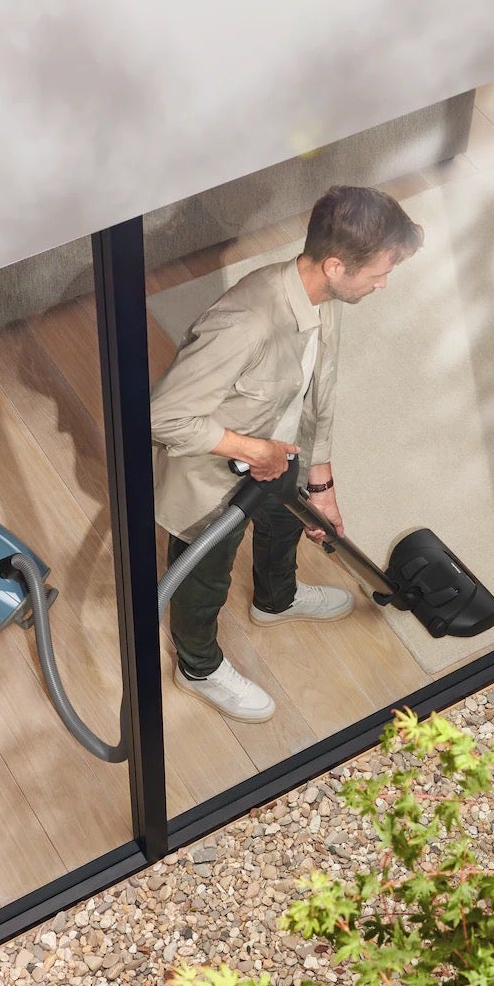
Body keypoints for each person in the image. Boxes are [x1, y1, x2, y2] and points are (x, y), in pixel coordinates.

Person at [150, 185, 424, 722]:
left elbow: (316, 390)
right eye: (379, 273)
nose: (384, 283)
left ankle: (275, 599)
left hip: (278, 447)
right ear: (336, 265)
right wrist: (255, 450)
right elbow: (163, 417)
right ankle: (197, 665)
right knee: (204, 574)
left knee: (286, 520)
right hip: (210, 477)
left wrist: (320, 482)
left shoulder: (324, 300)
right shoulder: (247, 322)